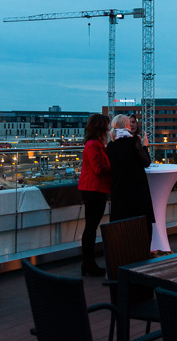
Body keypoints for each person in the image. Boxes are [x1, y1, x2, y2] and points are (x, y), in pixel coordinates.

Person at [106, 114, 154, 240]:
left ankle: (123, 249)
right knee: (142, 225)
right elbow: (146, 162)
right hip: (136, 190)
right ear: (126, 126)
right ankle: (142, 250)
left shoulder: (110, 145)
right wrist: (145, 146)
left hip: (118, 190)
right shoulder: (133, 142)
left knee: (122, 225)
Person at [77, 113, 111, 276]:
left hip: (93, 189)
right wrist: (114, 165)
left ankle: (88, 264)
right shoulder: (93, 145)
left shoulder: (94, 144)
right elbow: (98, 168)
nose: (108, 128)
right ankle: (88, 264)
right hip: (93, 189)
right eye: (107, 125)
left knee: (91, 226)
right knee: (91, 227)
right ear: (101, 127)